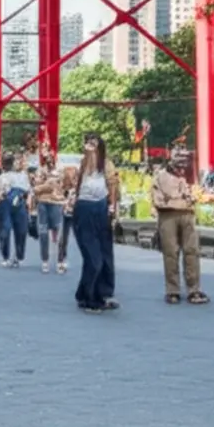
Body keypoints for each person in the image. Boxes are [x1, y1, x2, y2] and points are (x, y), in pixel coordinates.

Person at [152, 153, 209, 305]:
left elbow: (196, 195)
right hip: (168, 216)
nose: (182, 169)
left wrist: (178, 199)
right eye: (179, 165)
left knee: (192, 251)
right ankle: (172, 290)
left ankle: (194, 289)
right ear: (172, 164)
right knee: (170, 253)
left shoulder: (190, 177)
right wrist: (181, 199)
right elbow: (160, 201)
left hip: (187, 215)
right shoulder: (161, 177)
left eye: (185, 165)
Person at [72, 133, 120, 313]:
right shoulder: (82, 165)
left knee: (105, 254)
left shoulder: (106, 165)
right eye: (87, 143)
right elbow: (74, 186)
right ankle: (90, 296)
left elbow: (113, 186)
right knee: (93, 257)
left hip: (101, 209)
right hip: (84, 210)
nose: (89, 147)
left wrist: (112, 208)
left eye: (93, 144)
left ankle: (96, 293)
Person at [32, 147, 67, 274]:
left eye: (51, 155)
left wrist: (48, 186)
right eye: (46, 156)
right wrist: (48, 186)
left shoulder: (61, 171)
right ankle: (45, 260)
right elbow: (35, 189)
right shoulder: (40, 171)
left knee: (59, 234)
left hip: (56, 204)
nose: (49, 159)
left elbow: (64, 187)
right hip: (43, 204)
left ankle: (60, 261)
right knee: (43, 233)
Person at [0, 152, 33, 268]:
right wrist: (0, 195)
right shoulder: (2, 177)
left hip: (20, 202)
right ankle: (5, 256)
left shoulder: (23, 176)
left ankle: (19, 256)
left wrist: (29, 203)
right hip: (6, 203)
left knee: (21, 231)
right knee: (5, 230)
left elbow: (28, 191)